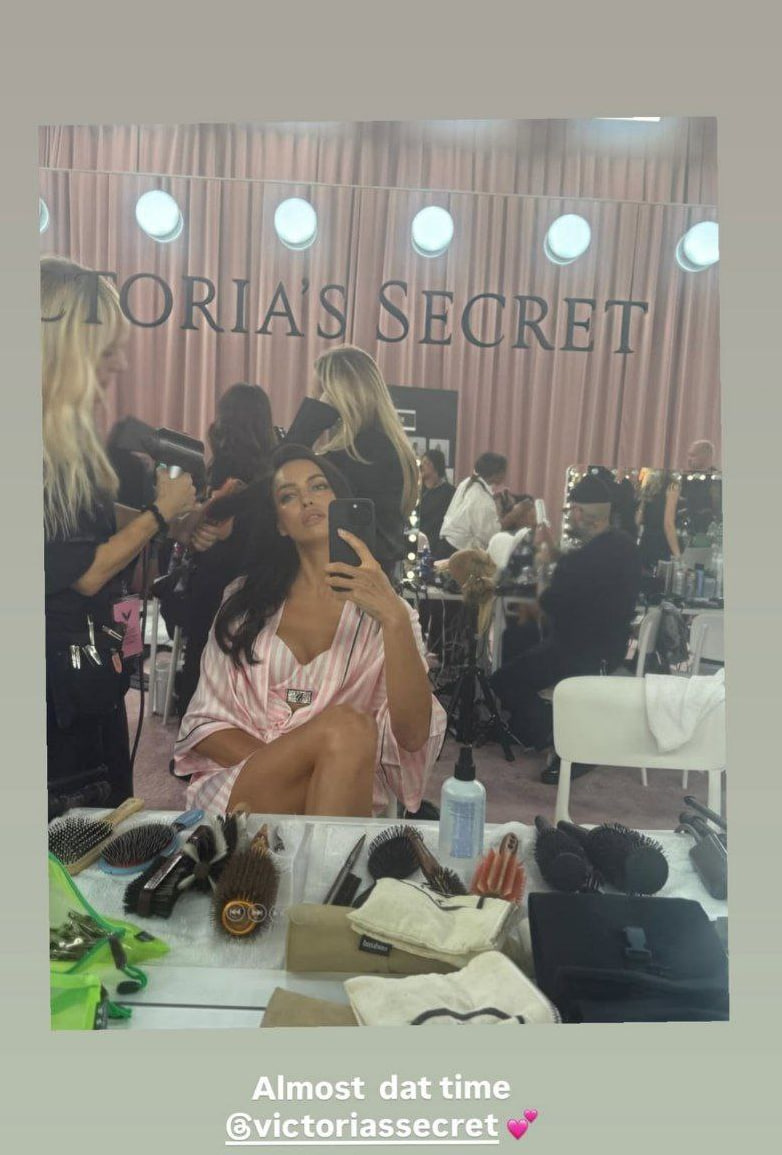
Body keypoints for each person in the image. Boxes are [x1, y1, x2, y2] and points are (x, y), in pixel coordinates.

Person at [172, 444, 447, 817]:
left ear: (341, 502)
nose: (306, 499)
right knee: (346, 729)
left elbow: (412, 737)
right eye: (288, 496)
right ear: (280, 524)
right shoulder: (244, 601)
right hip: (244, 787)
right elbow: (208, 724)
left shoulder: (391, 614)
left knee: (351, 733)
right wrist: (305, 770)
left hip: (342, 787)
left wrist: (393, 618)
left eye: (318, 486)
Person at [42, 257, 197, 809]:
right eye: (106, 349)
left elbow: (85, 519)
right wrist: (158, 514)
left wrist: (178, 521)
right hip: (56, 681)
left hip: (88, 669)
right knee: (72, 824)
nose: (120, 362)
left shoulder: (66, 436)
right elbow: (82, 571)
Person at [489, 475, 642, 783]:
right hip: (612, 647)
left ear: (579, 513)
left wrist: (545, 562)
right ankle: (529, 728)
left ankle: (565, 739)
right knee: (517, 638)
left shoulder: (581, 561)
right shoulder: (626, 547)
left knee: (503, 680)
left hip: (578, 652)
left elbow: (550, 601)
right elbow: (586, 578)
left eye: (572, 511)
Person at [162, 383, 281, 717]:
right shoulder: (273, 468)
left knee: (203, 660)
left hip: (215, 578)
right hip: (256, 578)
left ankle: (196, 728)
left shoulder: (224, 463)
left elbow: (206, 523)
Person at [312, 345, 419, 578]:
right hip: (373, 578)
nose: (317, 398)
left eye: (321, 390)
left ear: (337, 393)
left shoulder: (359, 452)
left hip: (347, 581)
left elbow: (280, 472)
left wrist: (313, 418)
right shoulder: (385, 447)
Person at [437, 452, 529, 559]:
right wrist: (514, 515)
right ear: (496, 474)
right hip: (457, 551)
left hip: (447, 544)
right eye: (504, 472)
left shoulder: (468, 482)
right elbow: (491, 536)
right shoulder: (482, 499)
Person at [636, 468, 682, 571]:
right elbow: (668, 524)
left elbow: (638, 519)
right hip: (661, 545)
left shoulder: (649, 485)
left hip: (645, 543)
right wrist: (678, 556)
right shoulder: (672, 486)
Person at [417, 449, 455, 554]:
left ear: (436, 466)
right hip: (416, 544)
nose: (421, 466)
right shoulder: (417, 491)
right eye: (421, 462)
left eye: (426, 463)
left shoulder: (449, 492)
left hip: (437, 547)